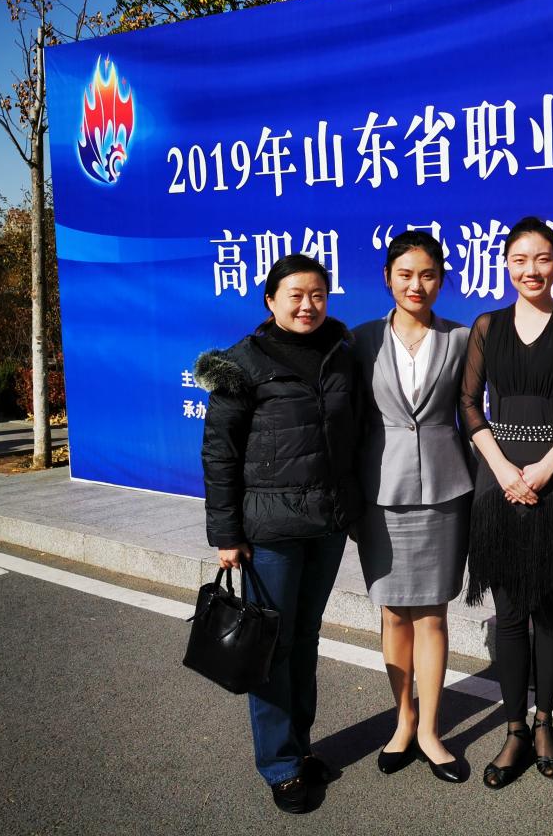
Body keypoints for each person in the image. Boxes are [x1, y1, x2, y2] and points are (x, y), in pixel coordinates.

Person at [196, 253, 362, 814]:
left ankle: (301, 746)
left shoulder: (341, 354)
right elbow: (220, 453)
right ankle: (280, 765)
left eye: (317, 294)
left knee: (305, 639)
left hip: (326, 525)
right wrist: (226, 533)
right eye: (295, 295)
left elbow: (353, 437)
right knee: (271, 646)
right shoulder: (241, 363)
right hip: (270, 531)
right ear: (270, 301)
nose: (307, 305)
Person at [459, 216, 553, 789]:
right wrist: (502, 469)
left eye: (542, 258)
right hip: (497, 480)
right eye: (519, 260)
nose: (531, 270)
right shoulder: (487, 326)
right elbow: (469, 403)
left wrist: (544, 468)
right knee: (510, 612)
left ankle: (546, 724)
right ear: (506, 265)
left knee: (547, 609)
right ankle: (515, 729)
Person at [352, 230, 473, 784]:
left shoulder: (462, 338)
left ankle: (430, 731)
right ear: (387, 278)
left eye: (427, 274)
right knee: (393, 612)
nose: (416, 285)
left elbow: (473, 414)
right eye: (405, 274)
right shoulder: (360, 340)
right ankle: (402, 721)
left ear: (441, 280)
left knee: (432, 614)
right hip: (381, 493)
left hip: (446, 492)